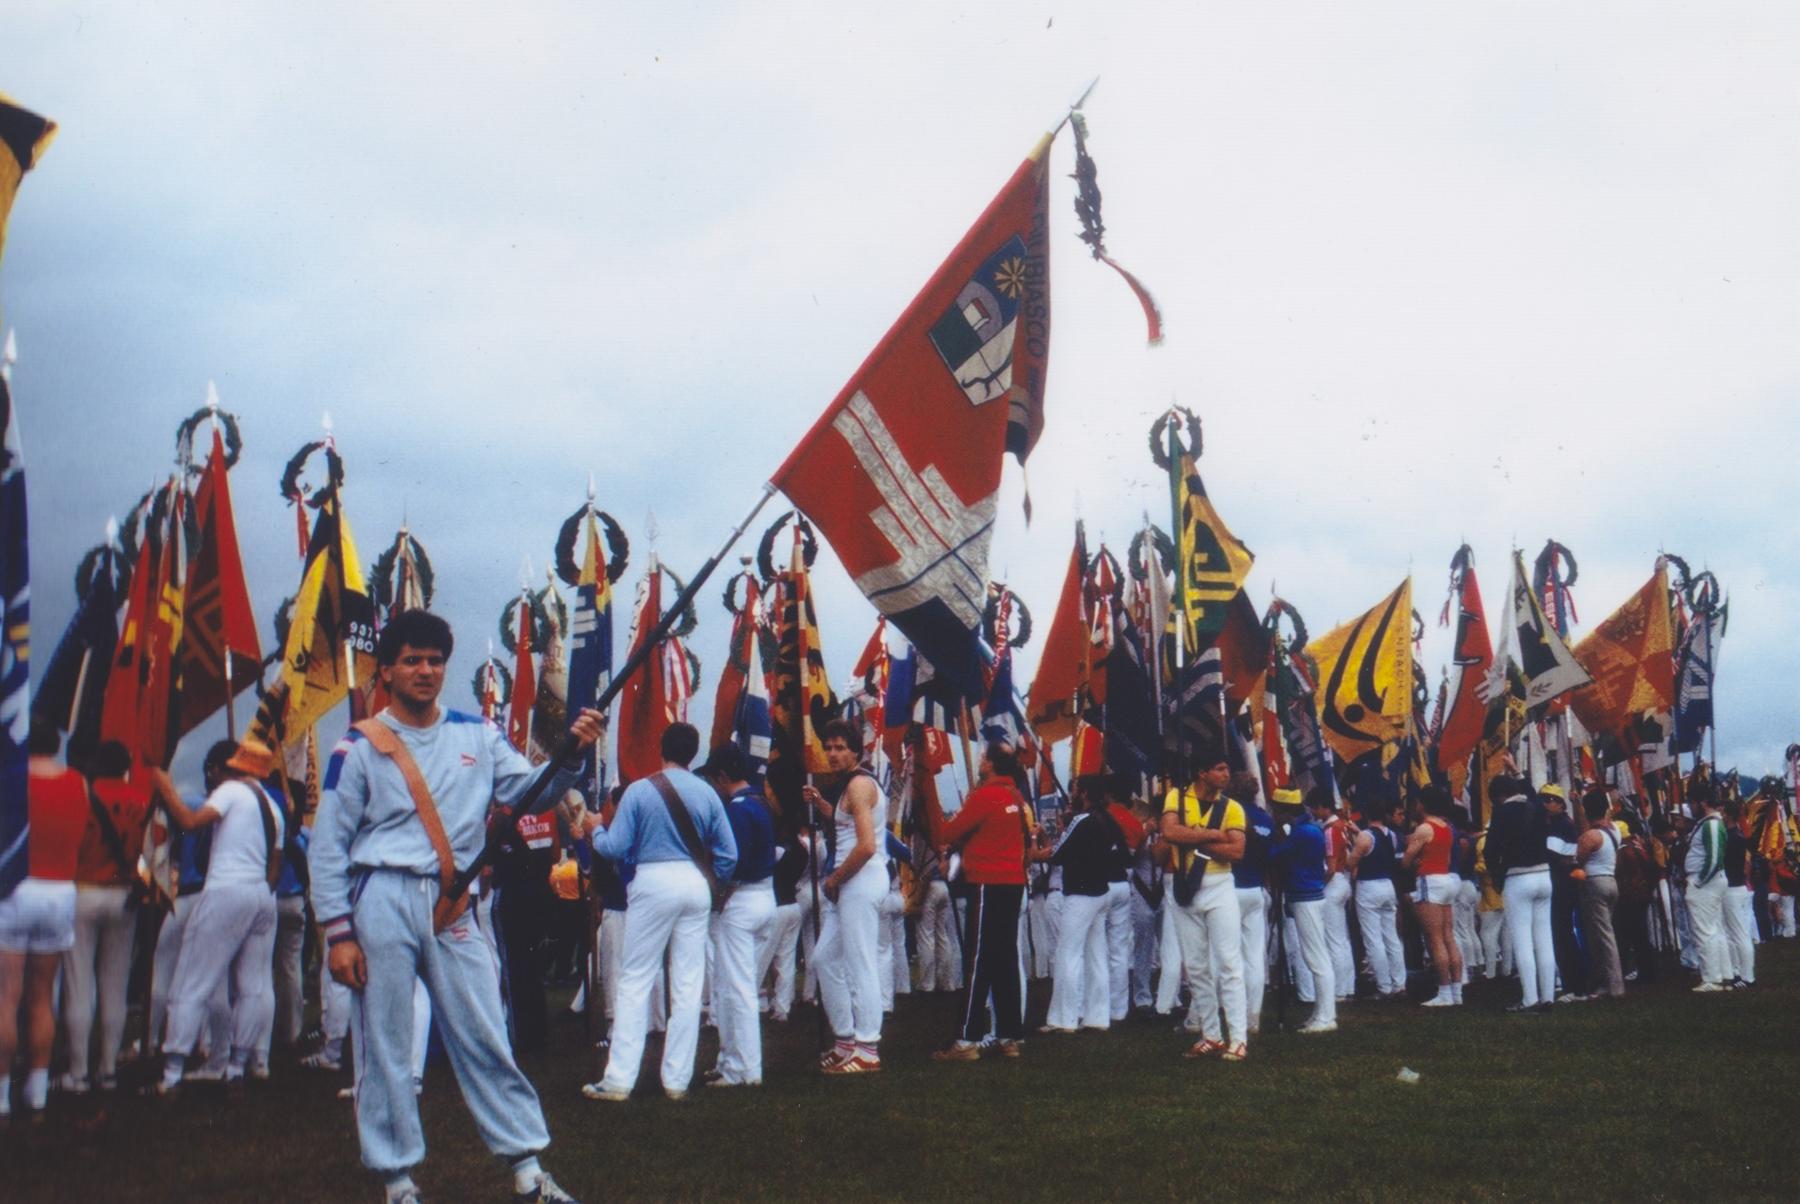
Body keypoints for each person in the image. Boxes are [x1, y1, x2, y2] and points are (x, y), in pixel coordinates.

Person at [312, 609, 598, 1203]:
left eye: (435, 660)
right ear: (386, 670)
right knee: (386, 1042)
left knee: (485, 1032)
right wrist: (338, 933)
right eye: (411, 660)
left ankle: (528, 1170)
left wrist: (570, 754)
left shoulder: (478, 735)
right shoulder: (358, 746)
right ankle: (397, 1181)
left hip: (453, 900)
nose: (425, 671)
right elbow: (329, 844)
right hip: (383, 896)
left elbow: (532, 794)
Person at [583, 721, 736, 1100]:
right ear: (693, 753)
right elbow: (729, 854)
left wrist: (595, 830)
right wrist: (713, 883)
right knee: (687, 984)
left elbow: (614, 848)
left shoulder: (639, 790)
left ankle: (619, 1079)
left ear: (661, 748)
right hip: (695, 884)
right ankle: (677, 1080)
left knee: (635, 979)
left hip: (652, 881)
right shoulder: (707, 793)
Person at [150, 737, 286, 1095]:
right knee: (253, 986)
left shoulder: (230, 792)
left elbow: (190, 821)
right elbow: (276, 863)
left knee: (191, 980)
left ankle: (172, 1072)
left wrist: (164, 786)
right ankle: (237, 1066)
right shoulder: (272, 807)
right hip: (262, 895)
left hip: (226, 890)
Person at [0, 725, 90, 1127]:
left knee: (7, 996)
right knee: (41, 996)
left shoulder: (11, 780)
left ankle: (2, 1095)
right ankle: (37, 1091)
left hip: (17, 887)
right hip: (60, 891)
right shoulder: (77, 783)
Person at [59, 738, 153, 1094]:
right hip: (123, 894)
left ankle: (78, 1072)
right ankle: (108, 1069)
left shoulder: (84, 796)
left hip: (84, 890)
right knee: (116, 984)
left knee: (79, 983)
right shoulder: (141, 800)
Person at [931, 742, 1029, 1062]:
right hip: (1013, 883)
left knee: (978, 961)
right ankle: (1009, 1035)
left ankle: (966, 1039)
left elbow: (949, 831)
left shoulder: (986, 796)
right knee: (1005, 960)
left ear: (989, 764)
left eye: (983, 757)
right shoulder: (1015, 796)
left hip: (987, 882)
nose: (979, 761)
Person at [801, 719, 888, 1074]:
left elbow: (866, 846)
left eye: (840, 748)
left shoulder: (859, 785)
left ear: (856, 751)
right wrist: (822, 804)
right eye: (829, 747)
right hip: (849, 881)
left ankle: (867, 1049)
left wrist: (835, 878)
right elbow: (847, 823)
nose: (833, 754)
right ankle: (845, 1041)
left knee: (860, 962)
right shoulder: (849, 787)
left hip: (858, 879)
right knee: (824, 958)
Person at [147, 742, 233, 1079]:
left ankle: (153, 1040)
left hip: (188, 896)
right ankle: (207, 1042)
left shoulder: (196, 804)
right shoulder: (236, 808)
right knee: (214, 979)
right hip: (214, 898)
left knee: (164, 970)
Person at [1161, 746, 1249, 1061]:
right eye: (1220, 769)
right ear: (1202, 772)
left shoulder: (1233, 807)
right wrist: (1213, 836)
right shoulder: (1176, 798)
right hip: (1186, 885)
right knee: (1196, 966)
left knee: (1228, 962)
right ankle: (1211, 1034)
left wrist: (1194, 837)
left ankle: (1238, 1037)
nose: (1226, 775)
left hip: (1219, 885)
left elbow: (1237, 851)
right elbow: (1169, 831)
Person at [698, 742, 775, 1088]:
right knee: (733, 985)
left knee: (737, 988)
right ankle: (731, 1061)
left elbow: (733, 863)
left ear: (722, 776)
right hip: (764, 896)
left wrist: (719, 896)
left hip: (742, 900)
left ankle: (744, 1069)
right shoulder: (760, 802)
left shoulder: (737, 809)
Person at [1040, 775, 1116, 1034]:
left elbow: (1057, 853)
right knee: (1097, 956)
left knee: (1067, 955)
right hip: (1101, 891)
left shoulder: (1081, 820)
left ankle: (1064, 1018)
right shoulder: (1107, 819)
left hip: (1080, 894)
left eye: (1075, 790)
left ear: (1083, 793)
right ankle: (1098, 1016)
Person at [1486, 773, 1556, 1012]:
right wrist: (1517, 772)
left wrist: (1497, 876)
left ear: (1498, 796)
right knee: (1544, 939)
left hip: (1517, 877)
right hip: (1544, 875)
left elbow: (1491, 849)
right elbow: (1532, 792)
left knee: (1523, 941)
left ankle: (1530, 999)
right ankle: (1548, 996)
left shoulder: (1501, 812)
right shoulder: (1536, 806)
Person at [1269, 786, 1335, 1033]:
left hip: (1305, 896)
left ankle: (1326, 1017)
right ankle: (1322, 1013)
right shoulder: (1310, 829)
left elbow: (1275, 855)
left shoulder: (1302, 832)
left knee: (1317, 958)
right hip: (1309, 894)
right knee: (1317, 956)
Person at [1403, 785, 1464, 1007]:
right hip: (1446, 878)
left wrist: (1414, 861)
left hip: (1430, 881)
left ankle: (1445, 991)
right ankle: (1457, 991)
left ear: (1424, 804)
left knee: (1434, 939)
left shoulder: (1424, 828)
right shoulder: (1446, 827)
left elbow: (1406, 860)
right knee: (1448, 936)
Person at [1347, 788, 1406, 1000]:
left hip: (1369, 886)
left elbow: (1351, 862)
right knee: (1391, 937)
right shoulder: (1393, 835)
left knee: (1373, 939)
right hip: (1387, 885)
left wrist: (1353, 840)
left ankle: (1384, 986)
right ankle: (1399, 984)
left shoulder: (1365, 836)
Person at [1231, 783, 1276, 1033]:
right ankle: (1253, 1016)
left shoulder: (1231, 813)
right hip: (1256, 888)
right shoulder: (1266, 819)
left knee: (1227, 953)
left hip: (1232, 887)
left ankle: (1230, 1011)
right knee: (1254, 955)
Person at [1574, 789, 1625, 1000]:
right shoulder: (1614, 830)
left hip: (1594, 884)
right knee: (1601, 935)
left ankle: (1614, 985)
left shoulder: (1590, 836)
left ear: (1587, 811)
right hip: (1611, 881)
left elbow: (1579, 860)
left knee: (1603, 937)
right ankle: (1604, 982)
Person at [1541, 785, 1589, 1003]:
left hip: (1563, 884)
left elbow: (1552, 854)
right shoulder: (1555, 824)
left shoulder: (1561, 825)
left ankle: (1575, 986)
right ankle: (1573, 982)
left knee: (1563, 934)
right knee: (1561, 934)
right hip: (1562, 883)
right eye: (1543, 799)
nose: (1545, 804)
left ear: (1560, 804)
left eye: (1550, 799)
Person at [1684, 785, 1732, 991]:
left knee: (1704, 930)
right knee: (1715, 929)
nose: (1690, 807)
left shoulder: (1711, 825)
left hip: (1705, 881)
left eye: (1692, 803)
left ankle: (1711, 978)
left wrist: (1699, 882)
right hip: (1710, 881)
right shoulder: (1710, 823)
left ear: (1702, 803)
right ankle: (1723, 973)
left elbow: (1714, 858)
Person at [910, 837, 961, 994]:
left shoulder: (921, 841)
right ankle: (946, 981)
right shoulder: (939, 838)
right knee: (942, 935)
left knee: (926, 936)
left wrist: (918, 900)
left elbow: (923, 870)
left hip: (929, 886)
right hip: (943, 886)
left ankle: (927, 983)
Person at [1720, 799, 1756, 988]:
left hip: (1733, 887)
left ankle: (1747, 976)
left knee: (1739, 934)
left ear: (1727, 814)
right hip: (1733, 886)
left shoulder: (1733, 837)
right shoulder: (1735, 835)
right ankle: (1737, 972)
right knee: (1733, 933)